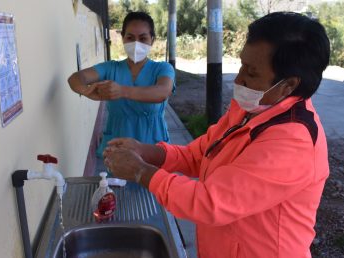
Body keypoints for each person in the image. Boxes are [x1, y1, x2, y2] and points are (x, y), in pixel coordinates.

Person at [103, 12, 330, 258]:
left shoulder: (293, 142)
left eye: (251, 73)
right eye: (241, 64)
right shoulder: (251, 110)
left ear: (288, 85)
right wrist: (147, 152)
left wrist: (142, 172)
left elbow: (209, 203)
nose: (239, 78)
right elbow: (200, 154)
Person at [68, 11, 175, 156]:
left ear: (152, 40)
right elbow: (76, 78)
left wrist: (122, 91)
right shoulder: (110, 68)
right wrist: (86, 90)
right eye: (130, 37)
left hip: (153, 147)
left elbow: (162, 92)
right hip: (118, 148)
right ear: (123, 38)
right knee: (116, 179)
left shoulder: (162, 68)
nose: (136, 43)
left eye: (143, 38)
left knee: (155, 179)